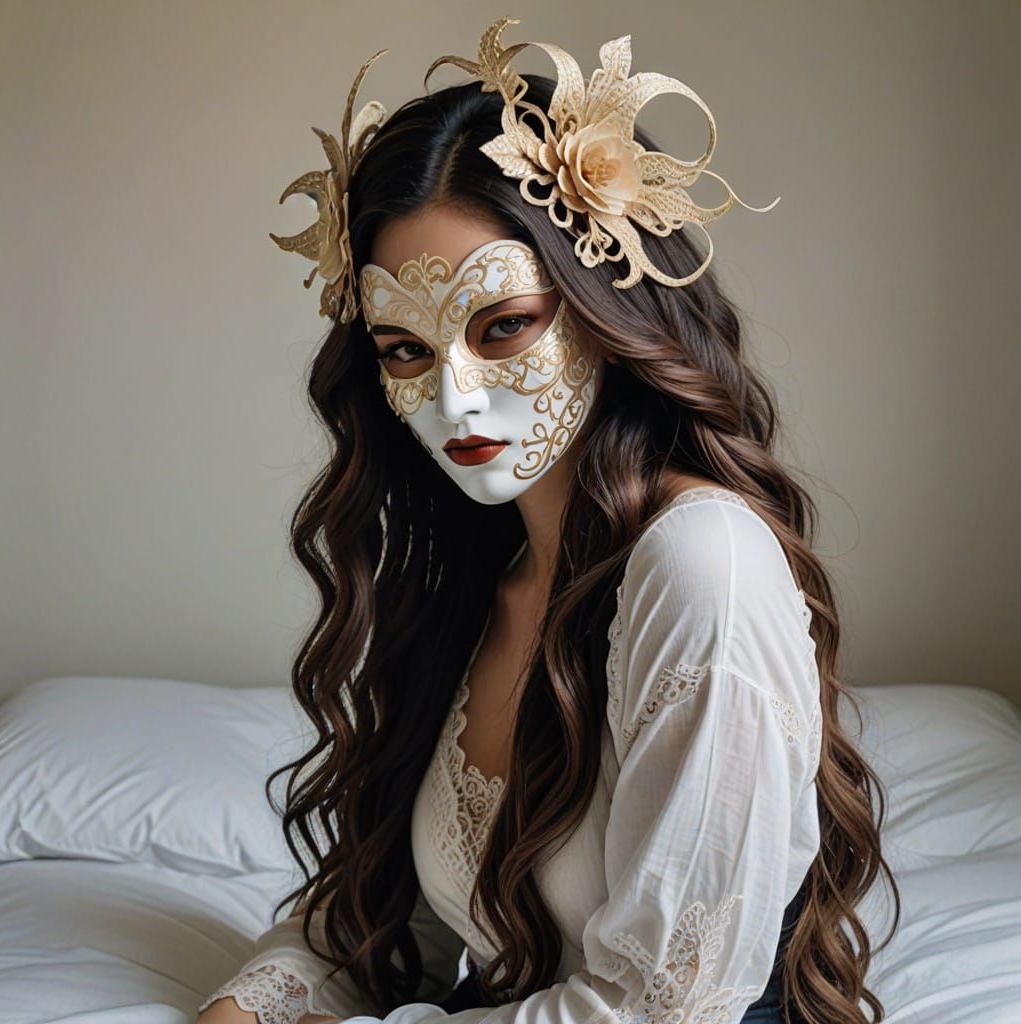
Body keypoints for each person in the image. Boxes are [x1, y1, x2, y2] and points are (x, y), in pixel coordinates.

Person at [197, 17, 900, 1024]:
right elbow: (401, 930)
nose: (456, 398)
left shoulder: (702, 560)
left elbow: (662, 1009)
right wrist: (250, 1005)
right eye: (405, 350)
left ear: (608, 310)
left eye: (504, 327)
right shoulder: (475, 574)